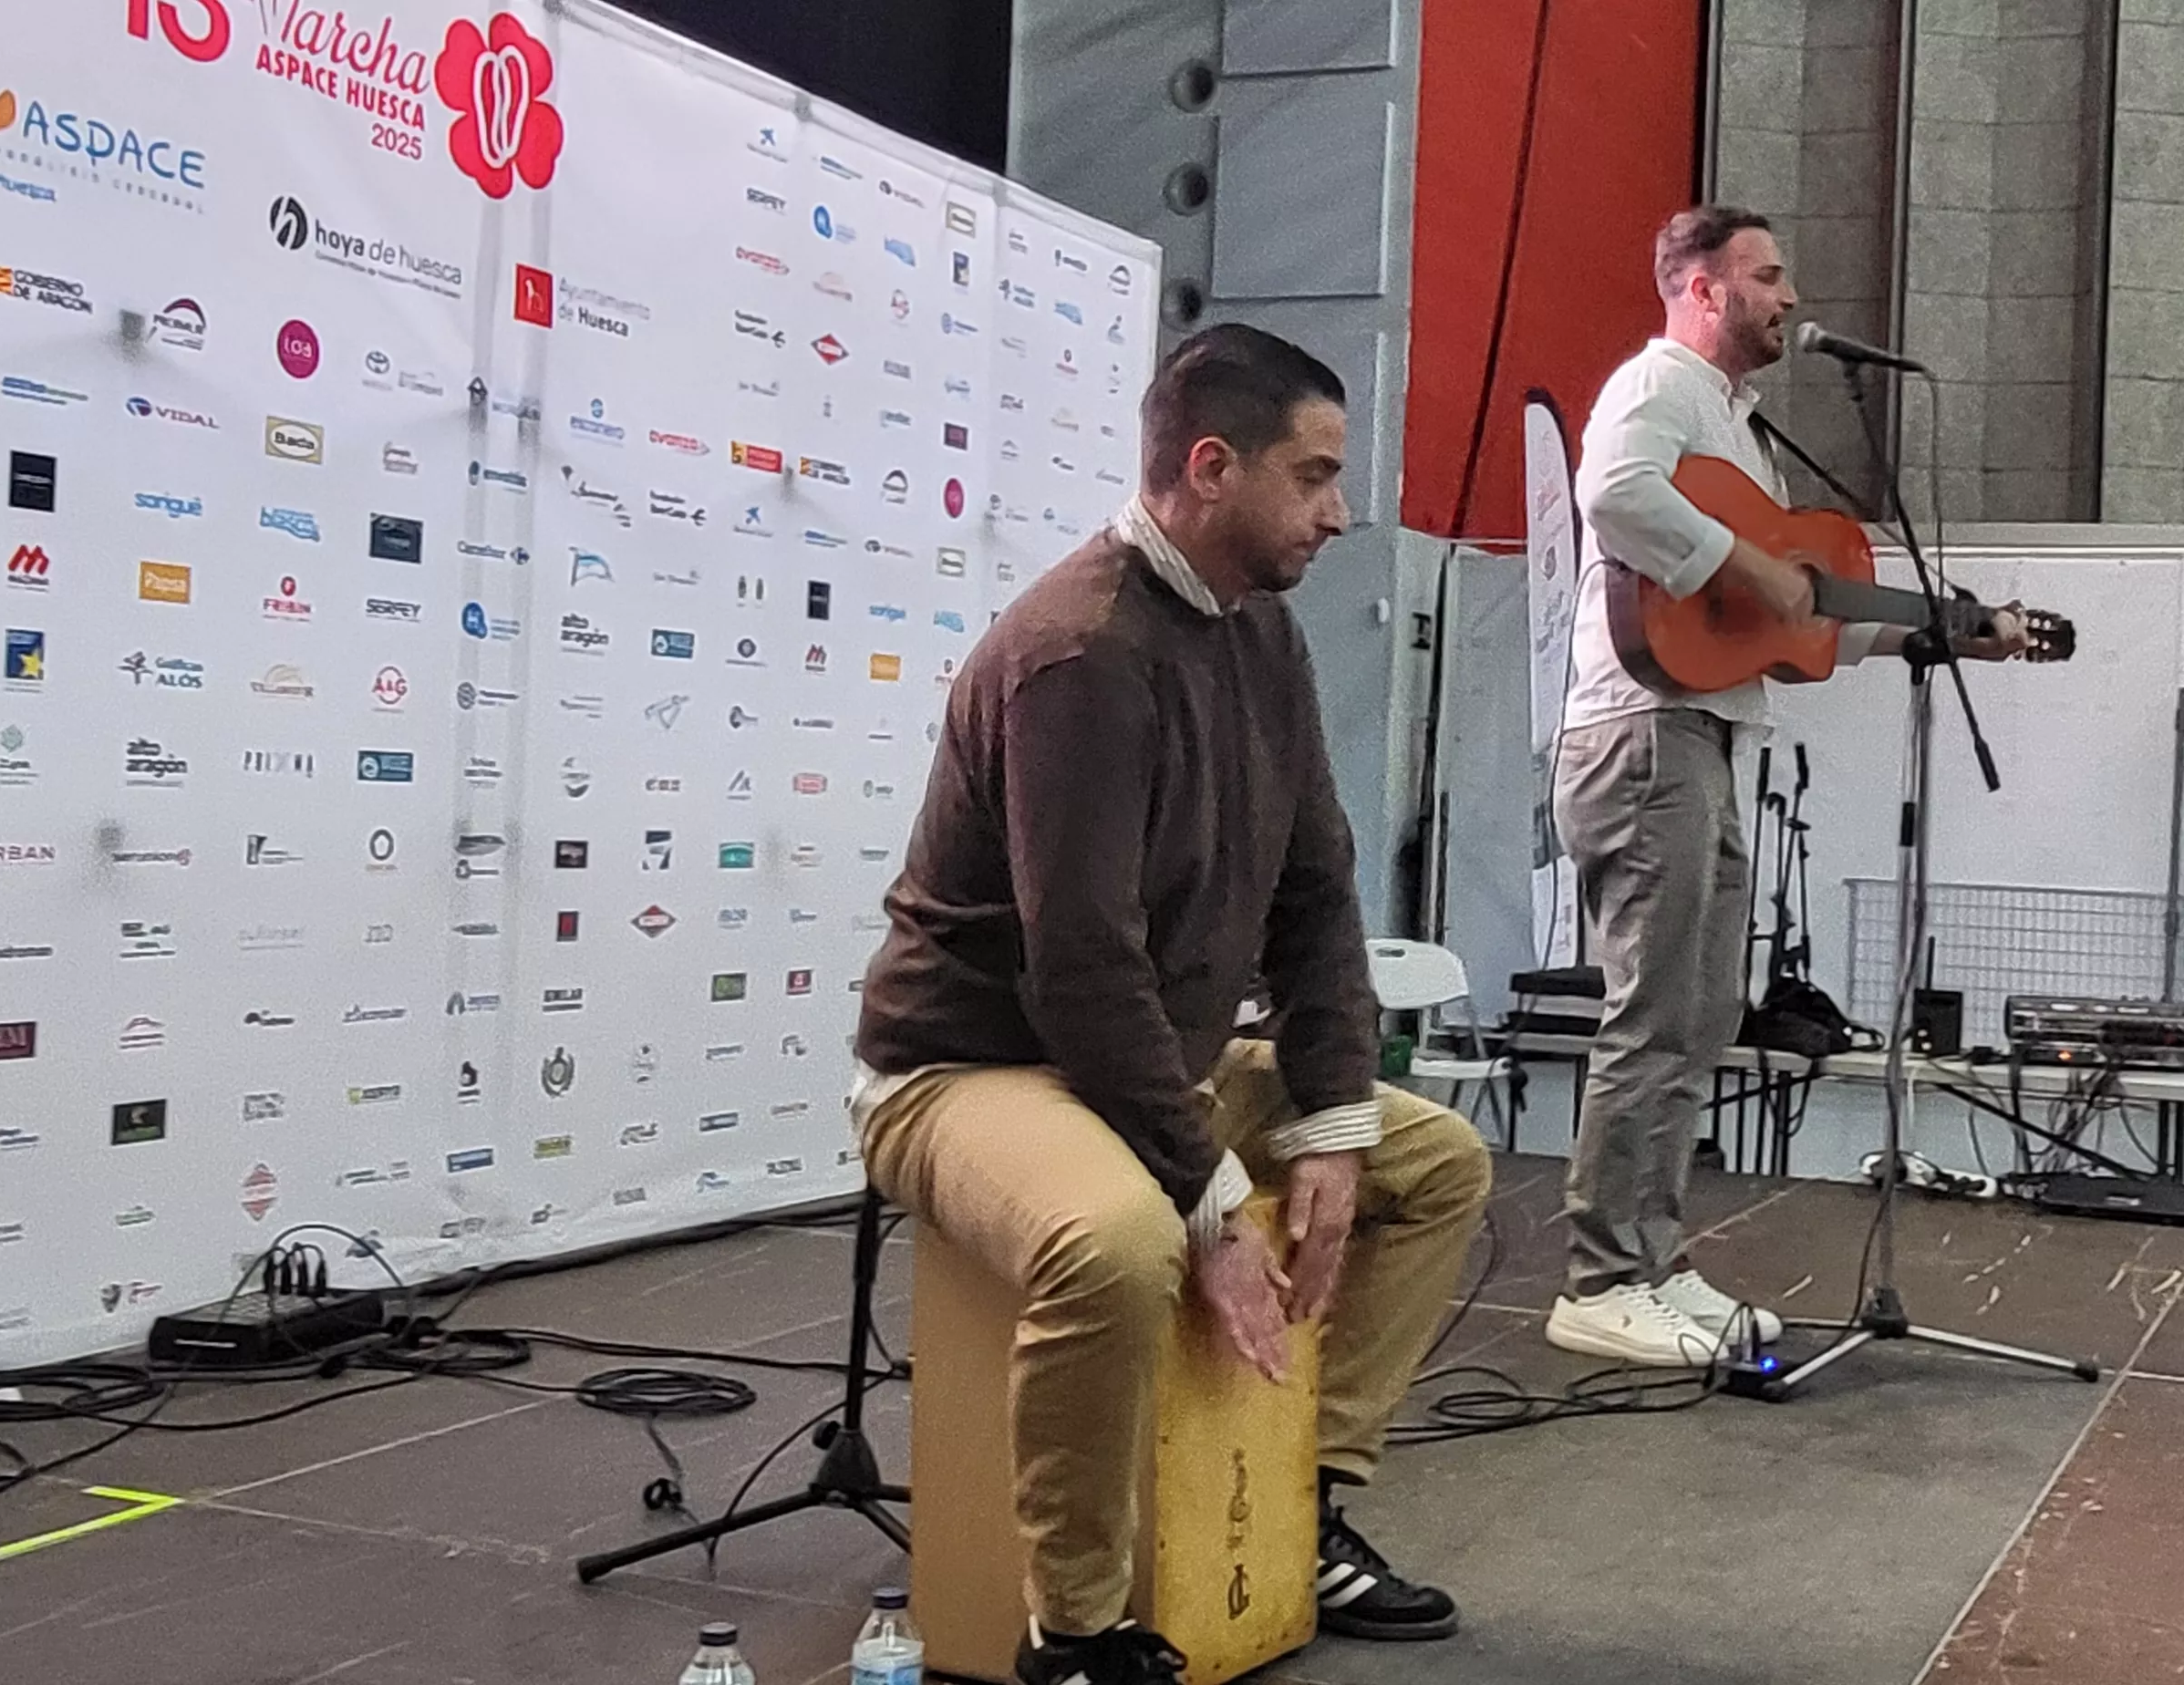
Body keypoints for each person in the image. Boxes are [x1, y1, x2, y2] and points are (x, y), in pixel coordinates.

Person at [852, 325, 1492, 1685]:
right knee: (1118, 1239)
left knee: (1433, 1164)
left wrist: (1328, 1121)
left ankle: (1310, 1500)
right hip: (967, 1071)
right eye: (1314, 476)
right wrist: (1207, 1203)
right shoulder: (1079, 655)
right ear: (1211, 467)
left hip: (1139, 1058)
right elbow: (1078, 968)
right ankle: (1072, 1631)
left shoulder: (1260, 632)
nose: (1340, 510)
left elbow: (1318, 895)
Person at [1546, 205, 2031, 1367]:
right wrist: (1752, 562)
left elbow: (1793, 626)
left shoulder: (1744, 434)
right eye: (1766, 276)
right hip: (1644, 732)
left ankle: (1650, 1261)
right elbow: (1613, 494)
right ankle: (1601, 1277)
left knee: (1702, 1017)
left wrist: (1950, 632)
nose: (1790, 296)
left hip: (1703, 732)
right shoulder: (1657, 384)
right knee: (1654, 1016)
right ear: (1701, 290)